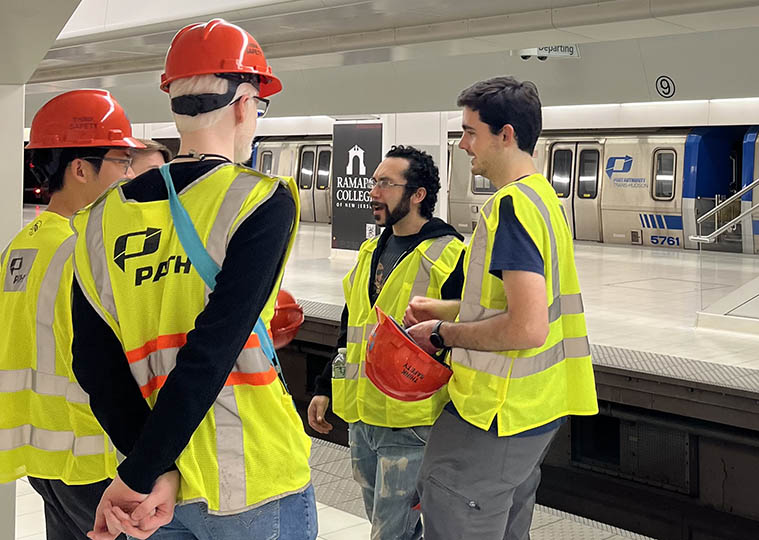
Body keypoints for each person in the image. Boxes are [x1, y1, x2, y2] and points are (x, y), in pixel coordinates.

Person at [70, 18, 316, 540]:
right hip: (254, 478)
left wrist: (150, 469)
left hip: (159, 489)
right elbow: (211, 352)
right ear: (247, 105)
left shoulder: (99, 219)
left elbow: (93, 362)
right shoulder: (261, 200)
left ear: (175, 104)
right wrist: (144, 472)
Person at [404, 77, 599, 540]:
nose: (465, 144)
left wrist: (441, 335)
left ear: (505, 134)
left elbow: (527, 327)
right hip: (536, 408)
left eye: (471, 132)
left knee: (455, 509)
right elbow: (513, 304)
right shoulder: (543, 197)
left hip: (498, 412)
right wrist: (448, 309)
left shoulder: (509, 206)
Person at [0, 89, 143, 540]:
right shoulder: (85, 251)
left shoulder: (21, 245)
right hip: (90, 454)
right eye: (121, 161)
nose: (130, 173)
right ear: (80, 168)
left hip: (40, 455)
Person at [308, 145, 465, 539]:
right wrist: (326, 385)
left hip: (411, 421)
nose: (373, 192)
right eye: (373, 182)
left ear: (418, 195)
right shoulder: (369, 251)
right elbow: (352, 327)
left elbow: (470, 332)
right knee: (390, 525)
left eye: (385, 184)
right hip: (362, 417)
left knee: (389, 532)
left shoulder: (449, 255)